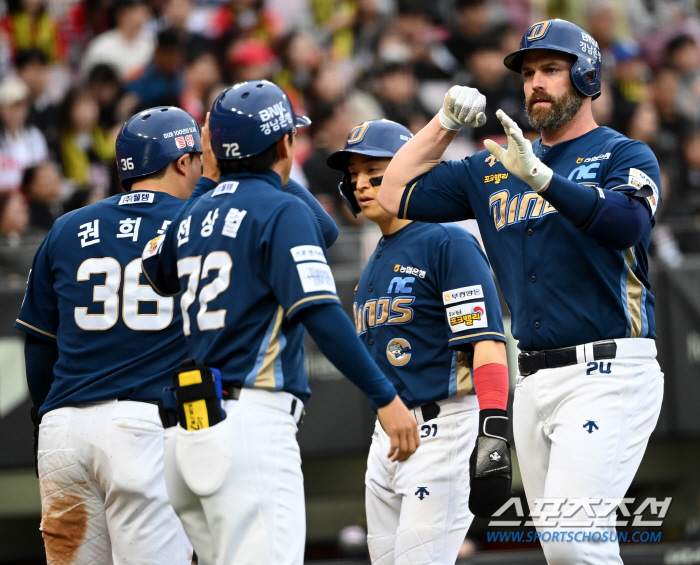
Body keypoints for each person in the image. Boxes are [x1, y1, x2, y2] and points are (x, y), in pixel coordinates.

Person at [376, 19, 664, 565]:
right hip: (531, 378)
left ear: (586, 76)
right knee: (564, 551)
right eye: (529, 72)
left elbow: (628, 225)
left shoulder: (624, 153)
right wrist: (442, 124)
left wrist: (544, 179)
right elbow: (393, 192)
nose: (535, 82)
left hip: (610, 371)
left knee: (573, 540)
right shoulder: (497, 162)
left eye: (551, 69)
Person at [141, 80, 419, 565]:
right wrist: (385, 396)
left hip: (189, 431)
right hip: (250, 426)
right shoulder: (279, 207)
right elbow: (320, 311)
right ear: (285, 144)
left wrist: (225, 174)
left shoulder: (197, 208)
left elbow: (157, 273)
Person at [14, 106, 212, 565]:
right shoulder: (199, 222)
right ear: (183, 161)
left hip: (63, 430)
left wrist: (46, 418)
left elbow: (39, 345)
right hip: (143, 426)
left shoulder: (66, 226)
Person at [327, 119, 511, 565]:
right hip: (388, 436)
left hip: (443, 427)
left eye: (375, 172)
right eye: (353, 176)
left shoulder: (447, 240)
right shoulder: (376, 258)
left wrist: (494, 429)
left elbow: (486, 342)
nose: (361, 184)